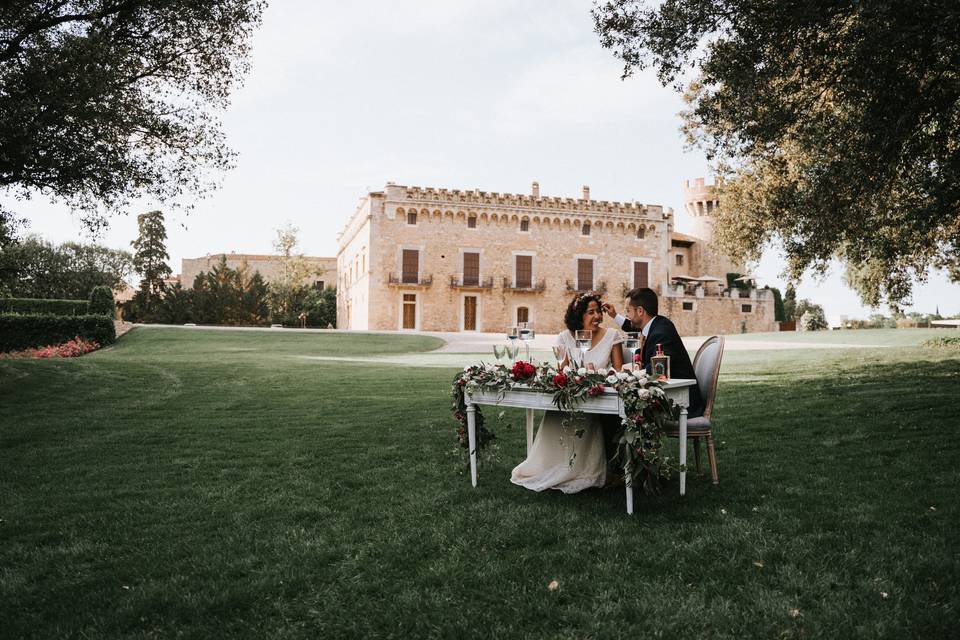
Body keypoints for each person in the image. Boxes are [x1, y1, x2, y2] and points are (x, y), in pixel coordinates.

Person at [510, 292, 623, 493]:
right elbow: (561, 372)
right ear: (579, 316)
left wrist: (598, 376)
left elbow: (619, 372)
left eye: (598, 312)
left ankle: (585, 470)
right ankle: (551, 465)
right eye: (591, 312)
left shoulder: (612, 336)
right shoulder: (564, 337)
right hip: (570, 397)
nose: (597, 316)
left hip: (596, 399)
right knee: (557, 411)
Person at [603, 287, 704, 418]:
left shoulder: (661, 334)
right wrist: (614, 316)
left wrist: (626, 376)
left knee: (616, 412)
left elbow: (656, 371)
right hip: (666, 394)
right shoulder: (656, 325)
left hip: (681, 403)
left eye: (628, 311)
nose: (627, 315)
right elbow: (631, 324)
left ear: (640, 311)